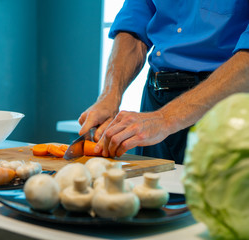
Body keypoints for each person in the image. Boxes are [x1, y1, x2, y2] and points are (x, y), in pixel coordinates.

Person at [78, 0, 249, 164]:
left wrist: (165, 118)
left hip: (223, 106)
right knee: (148, 190)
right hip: (156, 101)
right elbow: (133, 24)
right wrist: (109, 96)